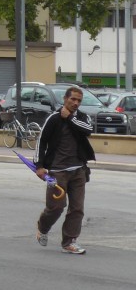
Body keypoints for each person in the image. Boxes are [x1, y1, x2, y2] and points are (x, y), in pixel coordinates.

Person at [34, 85, 95, 255]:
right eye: (73, 99)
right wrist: (39, 166)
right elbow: (42, 141)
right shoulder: (53, 119)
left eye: (79, 101)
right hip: (57, 171)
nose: (76, 103)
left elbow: (88, 130)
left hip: (78, 171)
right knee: (56, 207)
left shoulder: (83, 118)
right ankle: (42, 226)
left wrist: (69, 118)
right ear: (65, 99)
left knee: (77, 208)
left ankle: (69, 242)